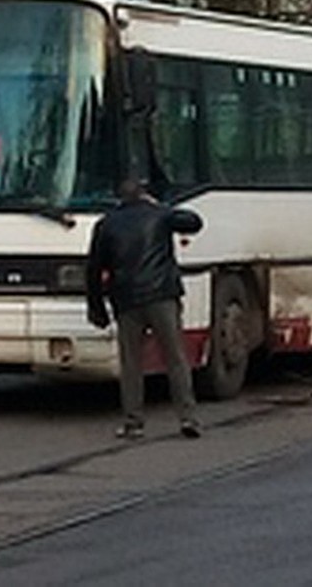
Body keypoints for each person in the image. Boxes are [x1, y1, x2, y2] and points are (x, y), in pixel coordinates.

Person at [86, 178, 204, 440]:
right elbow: (194, 222)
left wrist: (96, 308)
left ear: (119, 198)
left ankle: (133, 422)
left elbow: (94, 269)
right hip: (162, 296)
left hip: (127, 300)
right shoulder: (160, 216)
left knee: (131, 363)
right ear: (144, 195)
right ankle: (188, 418)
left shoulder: (106, 224)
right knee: (175, 359)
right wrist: (162, 207)